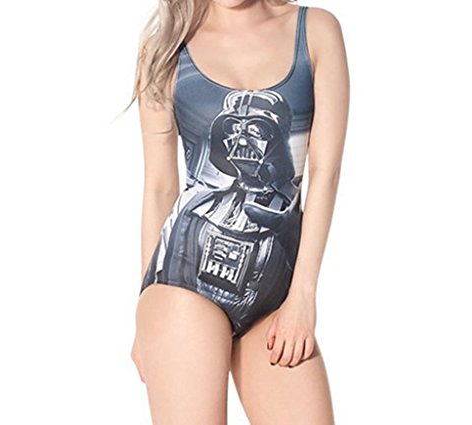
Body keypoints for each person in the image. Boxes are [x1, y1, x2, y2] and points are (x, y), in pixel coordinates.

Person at [126, 0, 349, 423]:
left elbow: (325, 172)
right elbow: (159, 187)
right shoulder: (166, 48)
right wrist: (145, 315)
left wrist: (303, 296)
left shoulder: (315, 31)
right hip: (182, 286)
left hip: (276, 294)